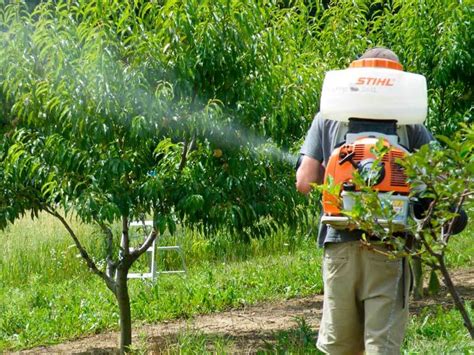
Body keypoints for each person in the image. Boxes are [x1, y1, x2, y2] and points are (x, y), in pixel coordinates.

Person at [296, 47, 434, 355]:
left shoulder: (328, 118)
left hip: (340, 246)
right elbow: (435, 182)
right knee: (380, 348)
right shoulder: (410, 123)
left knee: (340, 349)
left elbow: (305, 182)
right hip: (389, 246)